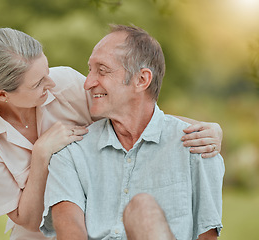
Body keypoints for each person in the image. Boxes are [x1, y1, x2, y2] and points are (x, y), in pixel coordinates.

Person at [0, 28, 222, 240]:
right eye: (39, 83)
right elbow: (26, 219)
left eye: (47, 72)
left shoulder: (64, 85)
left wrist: (207, 127)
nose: (51, 83)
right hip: (35, 232)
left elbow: (132, 110)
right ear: (2, 95)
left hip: (96, 213)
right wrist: (41, 154)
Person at [40, 25, 224, 240]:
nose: (88, 83)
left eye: (102, 70)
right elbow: (69, 231)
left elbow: (207, 235)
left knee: (142, 209)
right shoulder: (71, 151)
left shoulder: (197, 145)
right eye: (90, 69)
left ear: (141, 80)